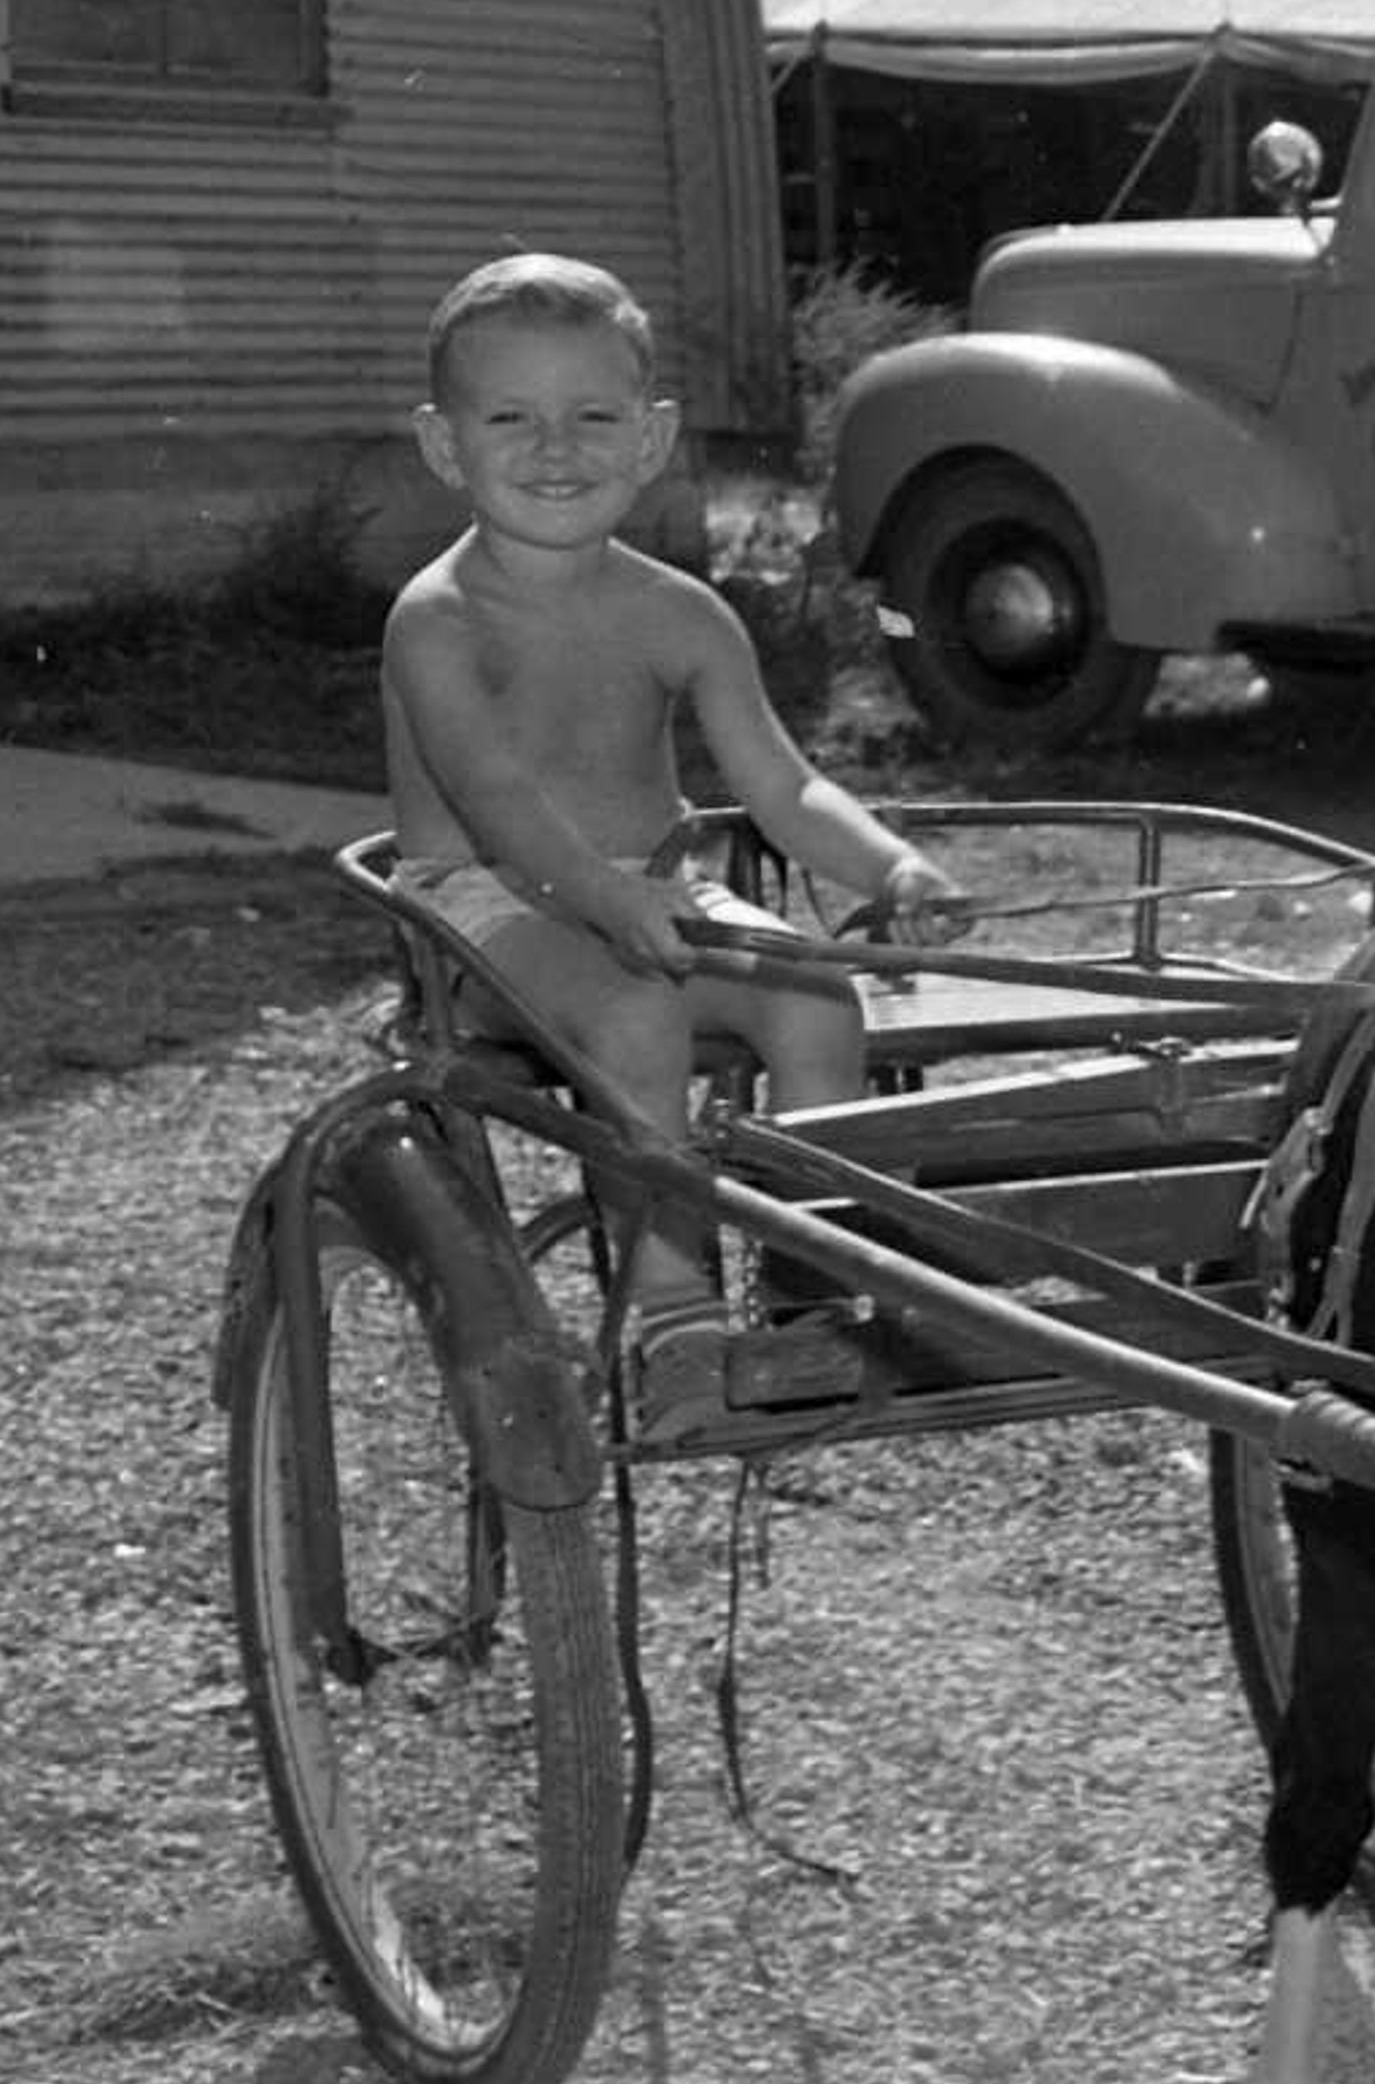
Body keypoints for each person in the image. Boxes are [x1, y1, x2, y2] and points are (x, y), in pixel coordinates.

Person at [382, 250, 965, 1440]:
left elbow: (783, 786)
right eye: (513, 419)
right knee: (639, 1014)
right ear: (446, 447)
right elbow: (496, 803)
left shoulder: (681, 612)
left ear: (650, 443)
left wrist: (890, 866)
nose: (558, 449)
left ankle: (810, 1291)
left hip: (644, 894)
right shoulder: (437, 621)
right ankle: (672, 1321)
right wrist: (597, 897)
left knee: (815, 994)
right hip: (485, 905)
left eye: (593, 417)